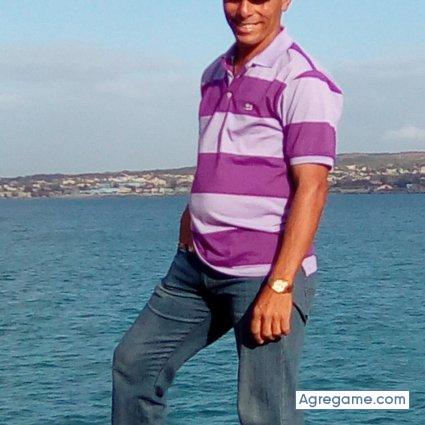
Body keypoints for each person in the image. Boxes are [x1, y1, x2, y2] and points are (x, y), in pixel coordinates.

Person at [111, 0, 343, 423]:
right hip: (196, 266)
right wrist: (191, 218)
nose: (244, 10)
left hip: (263, 273)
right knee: (135, 366)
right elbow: (220, 158)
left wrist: (280, 286)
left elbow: (312, 187)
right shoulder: (213, 75)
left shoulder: (303, 80)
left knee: (265, 411)